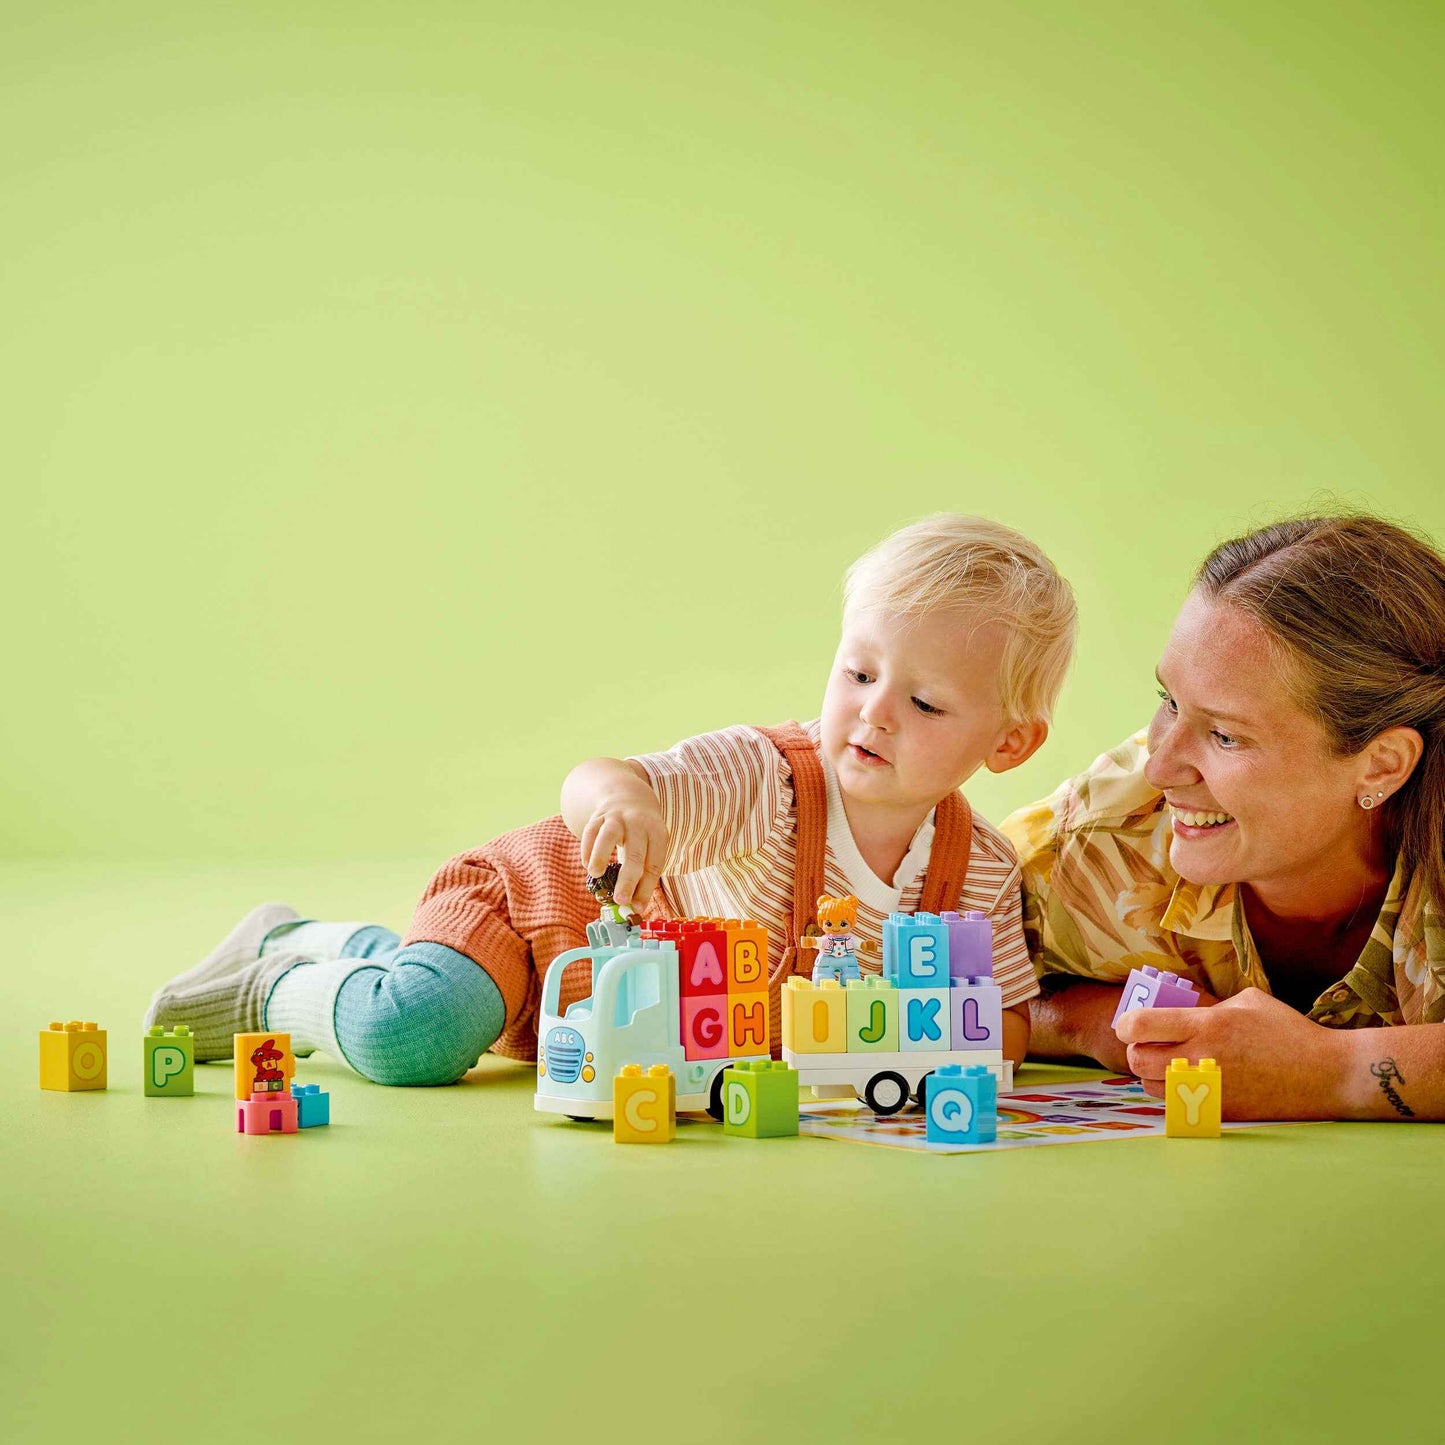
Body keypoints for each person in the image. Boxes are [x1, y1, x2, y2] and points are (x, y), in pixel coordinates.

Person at [146, 514, 1077, 1084]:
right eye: (857, 671)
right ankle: (285, 964)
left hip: (623, 1033)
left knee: (432, 1011)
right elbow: (601, 779)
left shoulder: (979, 873)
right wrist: (621, 804)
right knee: (415, 1035)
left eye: (922, 702)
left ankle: (363, 954)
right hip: (543, 916)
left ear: (1009, 743)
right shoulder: (766, 782)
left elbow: (991, 1027)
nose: (872, 714)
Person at [1004, 513, 1445, 1120]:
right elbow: (929, 985)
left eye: (1227, 737)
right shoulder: (1098, 838)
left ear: (1382, 765)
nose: (1161, 768)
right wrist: (1096, 1022)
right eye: (1169, 702)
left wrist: (1328, 1072)